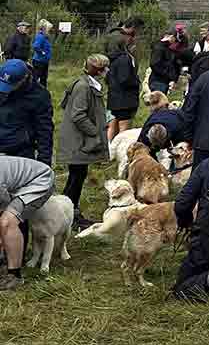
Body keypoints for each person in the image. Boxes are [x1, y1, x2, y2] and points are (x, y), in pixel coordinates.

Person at [57, 54, 109, 231]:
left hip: (80, 140)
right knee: (75, 179)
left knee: (78, 177)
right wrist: (95, 132)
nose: (107, 71)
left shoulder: (88, 83)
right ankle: (68, 216)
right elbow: (78, 114)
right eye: (105, 68)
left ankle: (70, 213)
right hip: (77, 141)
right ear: (97, 70)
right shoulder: (83, 87)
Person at [0, 154, 53, 290]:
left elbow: (4, 200)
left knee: (7, 221)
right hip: (16, 185)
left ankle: (14, 276)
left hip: (40, 180)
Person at [0, 59, 53, 168]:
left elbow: (45, 131)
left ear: (23, 79)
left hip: (21, 154)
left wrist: (44, 163)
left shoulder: (39, 96)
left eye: (10, 86)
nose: (5, 90)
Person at [105, 32, 141, 142]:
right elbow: (124, 79)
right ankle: (120, 150)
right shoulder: (125, 58)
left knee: (112, 126)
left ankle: (107, 151)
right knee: (124, 130)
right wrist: (136, 82)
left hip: (113, 98)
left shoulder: (111, 59)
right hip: (125, 100)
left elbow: (108, 78)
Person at [28, 19, 52, 87]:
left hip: (44, 61)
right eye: (48, 28)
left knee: (44, 79)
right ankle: (31, 91)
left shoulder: (46, 37)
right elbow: (35, 46)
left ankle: (43, 92)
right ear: (44, 28)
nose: (49, 30)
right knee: (35, 78)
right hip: (39, 62)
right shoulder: (40, 36)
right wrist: (42, 52)